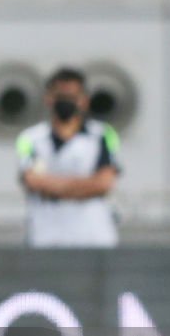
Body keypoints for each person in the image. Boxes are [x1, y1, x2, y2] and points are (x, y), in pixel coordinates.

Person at [17, 67, 121, 248]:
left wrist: (52, 185)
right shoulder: (31, 138)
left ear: (84, 100)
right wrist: (85, 185)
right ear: (48, 99)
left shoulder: (102, 135)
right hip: (45, 234)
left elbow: (104, 183)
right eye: (61, 96)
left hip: (93, 234)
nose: (66, 102)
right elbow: (32, 181)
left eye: (73, 97)